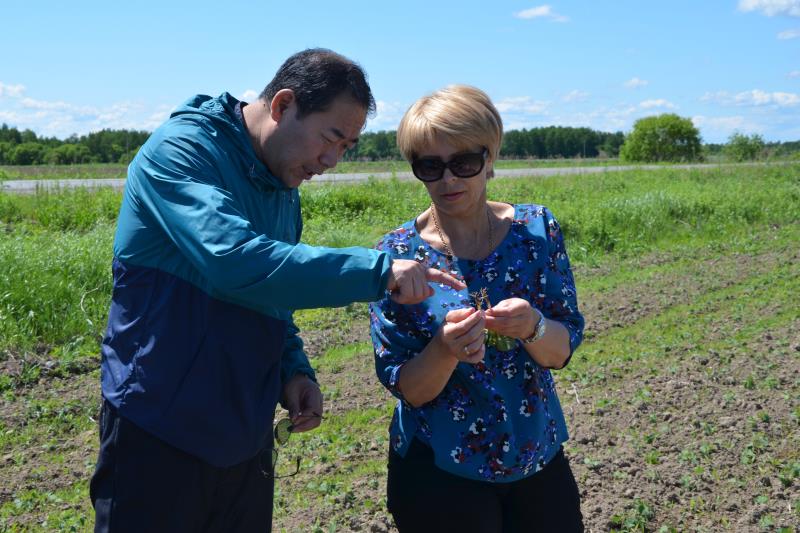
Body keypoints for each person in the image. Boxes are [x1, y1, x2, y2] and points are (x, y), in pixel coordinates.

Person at [89, 48, 463, 532]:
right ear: (284, 105)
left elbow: (271, 291)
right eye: (329, 138)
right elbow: (235, 261)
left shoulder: (282, 189)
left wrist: (293, 371)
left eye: (346, 147)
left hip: (244, 437)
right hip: (159, 428)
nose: (330, 161)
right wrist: (378, 271)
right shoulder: (182, 152)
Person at [369, 85, 585, 532]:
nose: (448, 180)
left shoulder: (536, 231)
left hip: (535, 456)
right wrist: (444, 350)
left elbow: (561, 351)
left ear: (490, 158)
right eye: (430, 166)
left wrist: (533, 326)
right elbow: (408, 387)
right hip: (439, 469)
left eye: (463, 162)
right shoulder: (397, 256)